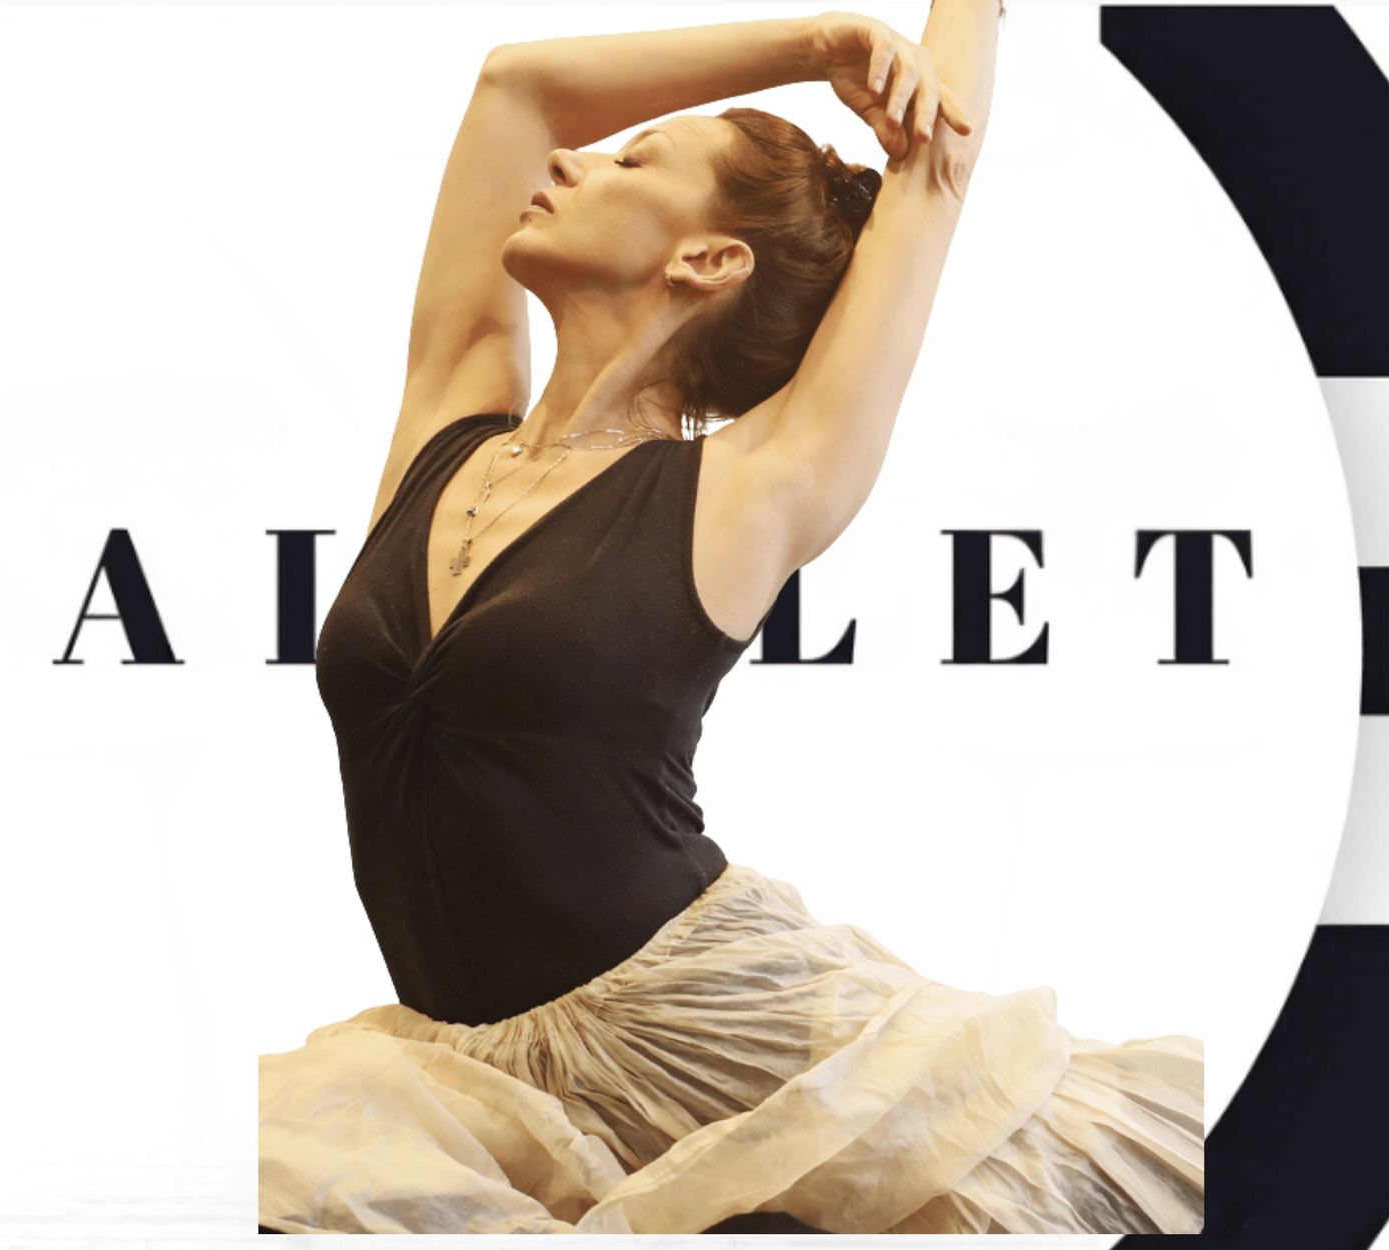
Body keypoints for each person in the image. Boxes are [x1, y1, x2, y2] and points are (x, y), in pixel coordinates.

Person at [262, 2, 1203, 1234]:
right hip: (463, 1075)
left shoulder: (755, 482)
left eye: (630, 160)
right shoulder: (450, 421)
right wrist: (815, 47)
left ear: (708, 260)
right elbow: (515, 92)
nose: (569, 161)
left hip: (717, 1035)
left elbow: (934, 173)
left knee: (1159, 1165)